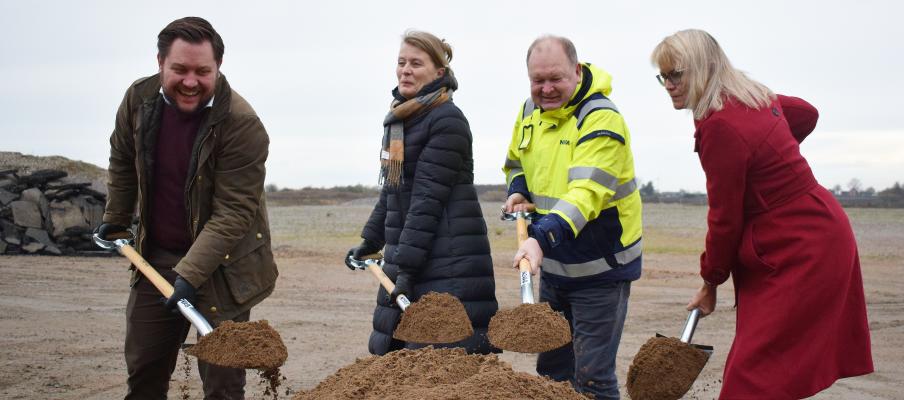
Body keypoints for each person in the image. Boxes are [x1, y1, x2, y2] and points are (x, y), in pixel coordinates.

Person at [650, 29, 873, 399]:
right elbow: (805, 113)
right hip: (808, 229)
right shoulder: (751, 98)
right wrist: (769, 158)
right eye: (664, 76)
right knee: (763, 371)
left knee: (752, 379)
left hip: (800, 246)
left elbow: (724, 219)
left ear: (704, 69)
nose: (669, 85)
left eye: (677, 75)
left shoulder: (721, 124)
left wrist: (710, 282)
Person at [95, 17, 277, 399]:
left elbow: (234, 212)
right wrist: (115, 219)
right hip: (157, 256)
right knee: (144, 369)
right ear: (160, 62)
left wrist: (190, 274)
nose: (190, 81)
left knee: (223, 383)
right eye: (179, 69)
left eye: (202, 71)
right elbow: (123, 160)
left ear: (218, 68)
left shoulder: (242, 125)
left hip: (225, 267)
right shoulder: (138, 100)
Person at [503, 35, 643, 400]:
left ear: (577, 72)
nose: (546, 89)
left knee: (593, 377)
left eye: (556, 79)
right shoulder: (528, 112)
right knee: (552, 373)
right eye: (538, 80)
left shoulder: (601, 119)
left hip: (600, 268)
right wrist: (519, 190)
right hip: (555, 265)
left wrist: (539, 238)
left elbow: (585, 195)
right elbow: (517, 162)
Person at [343, 30, 499, 356]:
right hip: (411, 257)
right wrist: (370, 241)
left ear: (439, 73)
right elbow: (393, 191)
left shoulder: (447, 121)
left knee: (439, 367)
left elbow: (427, 201)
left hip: (449, 263)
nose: (406, 70)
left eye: (416, 63)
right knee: (398, 365)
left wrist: (405, 271)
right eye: (401, 63)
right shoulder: (401, 120)